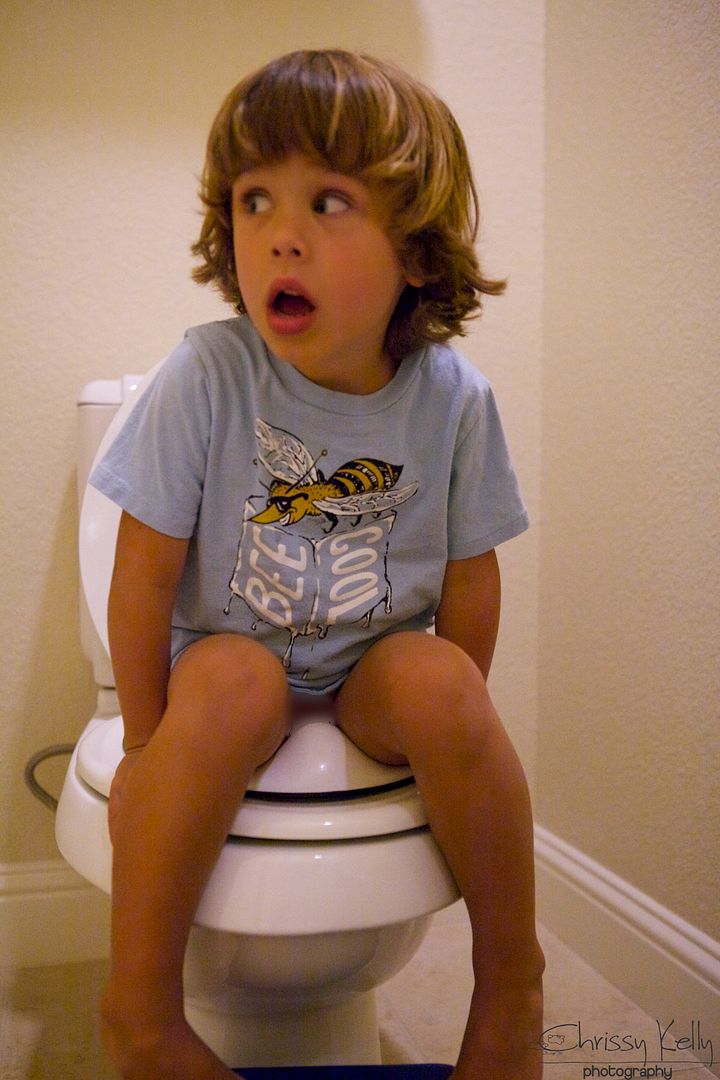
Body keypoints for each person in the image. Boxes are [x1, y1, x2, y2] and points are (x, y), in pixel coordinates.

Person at [93, 48, 545, 1080]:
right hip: (226, 663)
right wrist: (145, 752)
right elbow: (143, 574)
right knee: (235, 678)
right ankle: (141, 1013)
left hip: (369, 668)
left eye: (328, 201)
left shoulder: (453, 398)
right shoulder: (208, 374)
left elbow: (471, 577)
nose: (280, 233)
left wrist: (449, 732)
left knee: (442, 678)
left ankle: (511, 983)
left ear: (417, 252)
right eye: (254, 200)